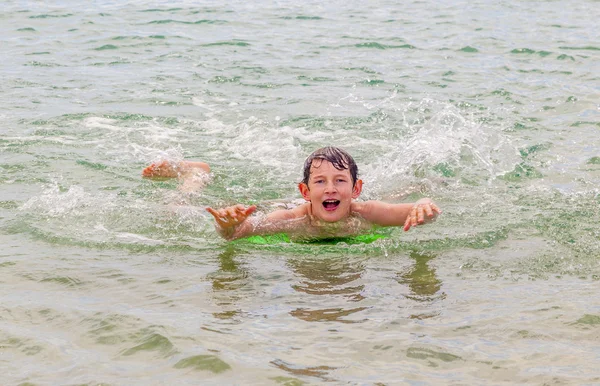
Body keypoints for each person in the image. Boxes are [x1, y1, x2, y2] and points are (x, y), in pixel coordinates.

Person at [142, 146, 441, 241]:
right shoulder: (291, 219)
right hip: (280, 205)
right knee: (175, 211)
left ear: (356, 189)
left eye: (340, 180)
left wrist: (425, 207)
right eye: (320, 182)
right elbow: (243, 232)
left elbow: (417, 209)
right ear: (305, 191)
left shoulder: (367, 212)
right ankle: (197, 173)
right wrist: (229, 224)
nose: (331, 188)